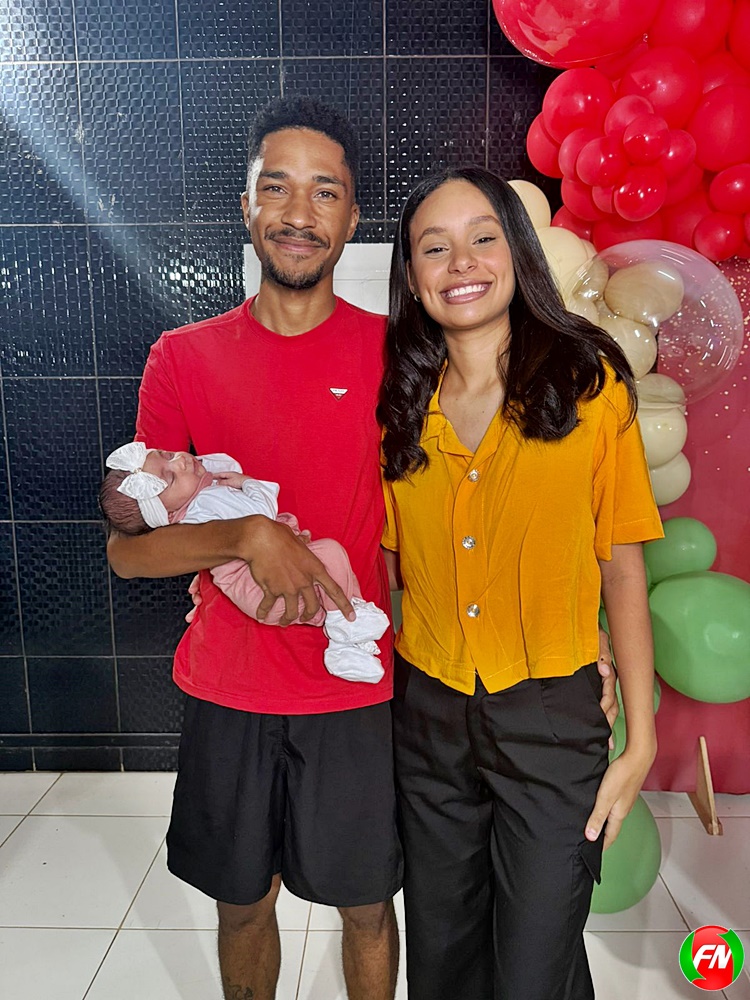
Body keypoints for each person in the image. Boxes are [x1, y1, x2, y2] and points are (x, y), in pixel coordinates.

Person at [106, 97, 403, 1000]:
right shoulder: (181, 358)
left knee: (367, 908)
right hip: (228, 688)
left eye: (324, 192)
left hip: (356, 689)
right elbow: (129, 553)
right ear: (246, 205)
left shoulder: (399, 354)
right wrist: (245, 533)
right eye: (276, 188)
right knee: (243, 906)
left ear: (352, 216)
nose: (299, 213)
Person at [377, 166, 663, 1000]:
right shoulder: (397, 403)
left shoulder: (588, 383)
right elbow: (383, 565)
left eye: (483, 237)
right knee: (443, 959)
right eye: (434, 247)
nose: (460, 261)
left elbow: (622, 562)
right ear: (412, 277)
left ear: (518, 252)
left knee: (536, 960)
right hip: (427, 715)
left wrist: (640, 738)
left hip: (551, 716)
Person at [100, 442, 390, 683]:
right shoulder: (206, 504)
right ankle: (347, 632)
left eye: (168, 454)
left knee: (327, 566)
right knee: (330, 554)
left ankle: (348, 638)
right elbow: (261, 515)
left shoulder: (196, 502)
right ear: (165, 515)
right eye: (171, 478)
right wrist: (249, 491)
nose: (181, 461)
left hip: (255, 637)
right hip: (250, 632)